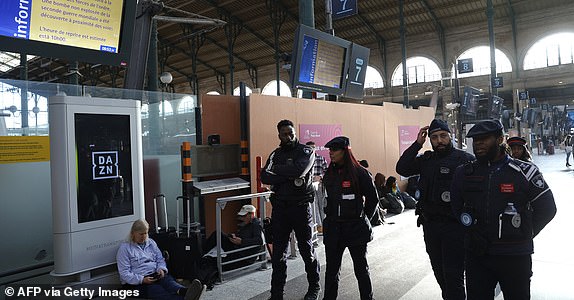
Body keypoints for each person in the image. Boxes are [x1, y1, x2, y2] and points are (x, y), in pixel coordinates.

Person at [451, 119, 557, 300]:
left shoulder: (525, 171)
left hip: (515, 256)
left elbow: (547, 208)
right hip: (478, 255)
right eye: (476, 140)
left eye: (484, 139)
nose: (479, 144)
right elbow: (456, 207)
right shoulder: (463, 173)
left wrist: (526, 232)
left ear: (500, 139)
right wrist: (470, 232)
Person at [395, 119, 475, 300]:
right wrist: (417, 144)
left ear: (450, 137)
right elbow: (402, 168)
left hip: (455, 228)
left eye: (443, 136)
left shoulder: (465, 160)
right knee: (440, 274)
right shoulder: (426, 160)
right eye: (435, 137)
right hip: (431, 226)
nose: (439, 140)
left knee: (453, 276)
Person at [260, 119, 321, 300]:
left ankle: (314, 287)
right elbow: (264, 176)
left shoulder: (306, 151)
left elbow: (299, 171)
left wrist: (278, 172)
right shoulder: (275, 154)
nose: (288, 136)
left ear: (295, 133)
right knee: (278, 255)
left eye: (291, 133)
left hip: (301, 209)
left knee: (306, 251)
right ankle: (276, 294)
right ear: (279, 135)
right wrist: (287, 174)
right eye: (285, 134)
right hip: (280, 210)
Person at [322, 136, 378, 300]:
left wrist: (362, 219)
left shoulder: (360, 172)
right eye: (330, 150)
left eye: (334, 150)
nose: (331, 153)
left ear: (345, 151)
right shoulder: (330, 173)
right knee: (331, 270)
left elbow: (373, 199)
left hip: (355, 229)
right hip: (333, 229)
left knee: (361, 269)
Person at [116, 219, 206, 300]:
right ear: (133, 233)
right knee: (157, 291)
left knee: (169, 282)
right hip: (137, 282)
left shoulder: (151, 243)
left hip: (155, 274)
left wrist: (161, 269)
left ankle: (185, 292)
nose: (143, 236)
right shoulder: (125, 248)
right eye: (141, 234)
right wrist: (142, 279)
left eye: (145, 233)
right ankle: (188, 297)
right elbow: (124, 274)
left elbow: (160, 259)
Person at [305, 141, 328, 233]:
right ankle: (318, 226)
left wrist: (320, 177)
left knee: (322, 205)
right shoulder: (304, 160)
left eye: (313, 147)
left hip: (320, 185)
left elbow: (328, 173)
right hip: (309, 186)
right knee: (313, 206)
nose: (312, 149)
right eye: (309, 148)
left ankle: (324, 224)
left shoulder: (321, 159)